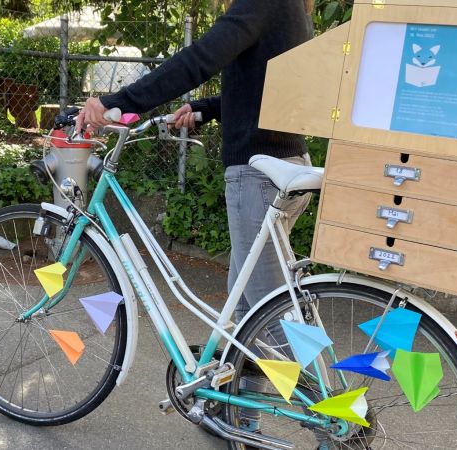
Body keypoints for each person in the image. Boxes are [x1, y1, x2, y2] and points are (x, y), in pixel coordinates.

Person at [76, 0, 319, 437]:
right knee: (247, 309)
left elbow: (199, 59)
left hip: (258, 175)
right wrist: (207, 110)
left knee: (272, 316)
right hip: (287, 163)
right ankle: (241, 419)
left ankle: (336, 423)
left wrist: (117, 103)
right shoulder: (293, 7)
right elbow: (262, 88)